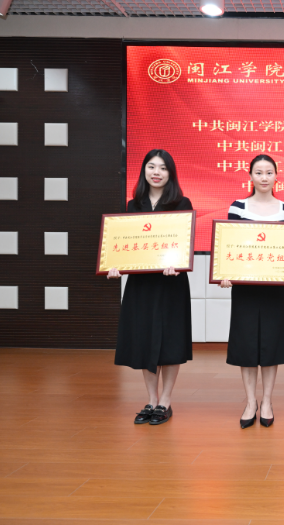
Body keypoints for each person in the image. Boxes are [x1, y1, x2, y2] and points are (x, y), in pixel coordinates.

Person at [220, 154, 284, 429]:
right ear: (250, 176)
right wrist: (224, 272)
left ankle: (268, 402)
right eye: (258, 172)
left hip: (275, 286)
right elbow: (230, 245)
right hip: (245, 286)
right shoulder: (238, 206)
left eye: (269, 172)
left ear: (276, 176)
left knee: (272, 343)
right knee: (246, 343)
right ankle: (251, 402)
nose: (264, 177)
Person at [108, 149, 193, 425]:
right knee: (144, 339)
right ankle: (151, 400)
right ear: (144, 170)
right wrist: (115, 265)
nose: (157, 172)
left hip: (171, 283)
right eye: (151, 167)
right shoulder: (134, 205)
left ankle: (165, 401)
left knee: (170, 341)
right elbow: (125, 244)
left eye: (163, 168)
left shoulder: (181, 203)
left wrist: (178, 263)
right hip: (141, 284)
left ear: (171, 173)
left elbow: (185, 245)